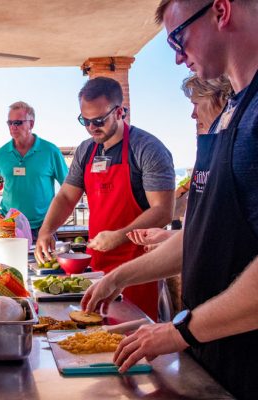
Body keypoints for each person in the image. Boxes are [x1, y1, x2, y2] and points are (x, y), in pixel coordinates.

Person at [82, 1, 258, 398]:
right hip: (215, 356)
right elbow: (202, 236)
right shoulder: (235, 112)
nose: (177, 57)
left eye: (179, 38)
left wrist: (180, 329)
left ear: (221, 11)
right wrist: (118, 277)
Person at [35, 77, 176, 320]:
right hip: (97, 267)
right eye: (85, 121)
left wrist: (119, 236)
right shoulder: (86, 150)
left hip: (138, 270)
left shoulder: (147, 149)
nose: (91, 128)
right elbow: (67, 196)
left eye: (98, 121)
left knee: (133, 341)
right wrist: (46, 230)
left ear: (119, 112)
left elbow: (163, 210)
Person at [128, 73, 232, 250]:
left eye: (196, 104)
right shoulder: (213, 146)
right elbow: (206, 229)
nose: (193, 115)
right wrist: (170, 237)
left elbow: (227, 232)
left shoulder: (235, 151)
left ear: (222, 100)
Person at [0, 101, 68, 239]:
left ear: (31, 124)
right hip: (9, 226)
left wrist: (54, 222)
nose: (13, 127)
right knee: (6, 262)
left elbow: (68, 188)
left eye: (18, 123)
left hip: (44, 227)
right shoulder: (1, 154)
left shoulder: (50, 151)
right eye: (10, 123)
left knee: (46, 261)